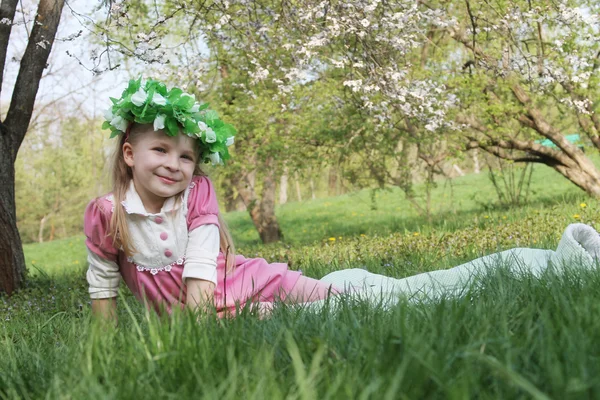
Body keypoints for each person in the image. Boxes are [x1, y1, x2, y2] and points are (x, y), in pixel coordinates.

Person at [85, 78, 340, 320]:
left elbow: (200, 263)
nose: (173, 164)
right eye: (160, 150)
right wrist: (105, 340)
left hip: (240, 287)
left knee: (341, 300)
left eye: (185, 157)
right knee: (271, 316)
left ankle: (351, 287)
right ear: (129, 154)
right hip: (204, 316)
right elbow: (103, 280)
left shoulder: (196, 192)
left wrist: (202, 327)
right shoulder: (107, 212)